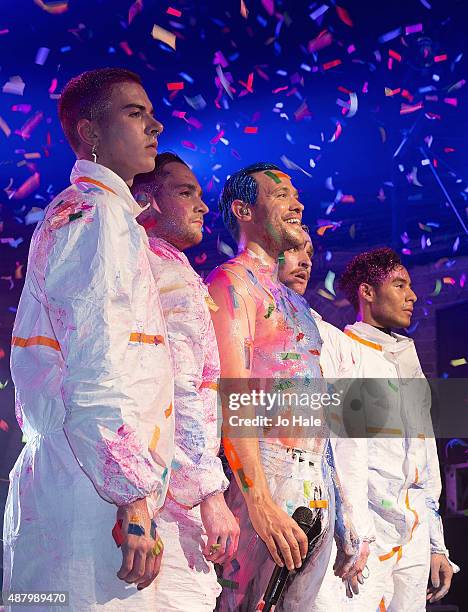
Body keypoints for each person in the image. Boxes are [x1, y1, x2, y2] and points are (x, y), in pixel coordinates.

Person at [3, 68, 175, 611]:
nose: (156, 125)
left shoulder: (108, 215)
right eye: (135, 113)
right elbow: (94, 365)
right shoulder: (92, 213)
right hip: (89, 492)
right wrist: (131, 495)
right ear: (90, 132)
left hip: (94, 482)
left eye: (151, 113)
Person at [207, 163, 358, 612]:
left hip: (314, 481)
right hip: (267, 474)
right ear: (243, 209)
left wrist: (339, 506)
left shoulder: (296, 303)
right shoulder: (231, 283)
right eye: (281, 196)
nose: (298, 205)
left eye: (297, 196)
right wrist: (258, 499)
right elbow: (232, 398)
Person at [131, 152, 239, 611]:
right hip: (163, 493)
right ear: (147, 197)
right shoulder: (160, 268)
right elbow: (183, 390)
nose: (201, 206)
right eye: (185, 192)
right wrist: (211, 493)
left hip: (155, 486)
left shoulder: (169, 266)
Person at [337, 247, 458, 611]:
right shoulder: (346, 352)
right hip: (368, 529)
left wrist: (436, 542)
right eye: (400, 285)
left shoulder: (405, 354)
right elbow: (344, 455)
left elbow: (425, 455)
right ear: (367, 292)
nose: (412, 295)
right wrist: (355, 532)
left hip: (415, 530)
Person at [278, 228, 373, 609]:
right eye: (291, 249)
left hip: (319, 508)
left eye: (309, 252)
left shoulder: (334, 342)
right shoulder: (233, 306)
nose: (304, 260)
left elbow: (349, 444)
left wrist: (353, 527)